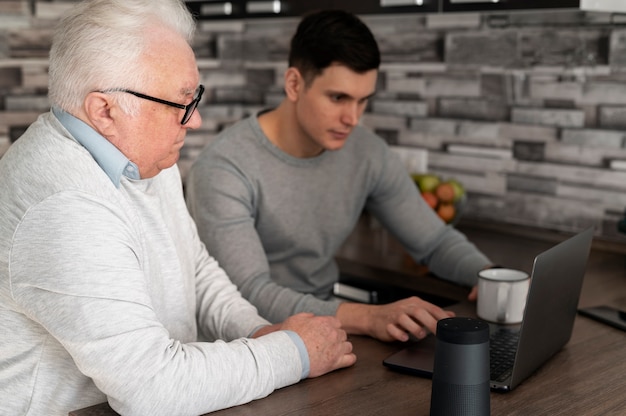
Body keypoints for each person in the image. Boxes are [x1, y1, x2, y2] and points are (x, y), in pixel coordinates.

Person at [0, 1, 356, 415]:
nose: (196, 120)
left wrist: (260, 330)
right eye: (181, 102)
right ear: (105, 110)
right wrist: (295, 352)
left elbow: (194, 266)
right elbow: (153, 387)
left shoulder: (141, 156)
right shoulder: (64, 207)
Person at [185, 9, 494, 344]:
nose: (352, 118)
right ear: (294, 84)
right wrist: (369, 317)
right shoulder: (224, 167)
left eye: (363, 101)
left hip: (327, 329)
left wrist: (493, 278)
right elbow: (248, 293)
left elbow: (433, 242)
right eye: (338, 98)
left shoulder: (367, 153)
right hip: (248, 344)